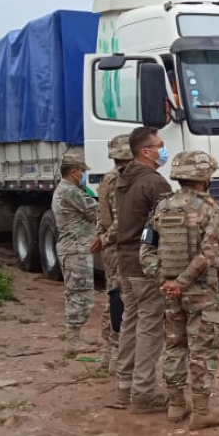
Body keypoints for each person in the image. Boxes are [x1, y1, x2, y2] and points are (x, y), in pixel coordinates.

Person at [140, 151, 219, 429]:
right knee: (203, 348)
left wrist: (165, 282)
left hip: (170, 293)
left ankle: (176, 405)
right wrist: (181, 283)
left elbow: (145, 250)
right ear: (204, 177)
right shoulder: (210, 209)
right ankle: (201, 411)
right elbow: (208, 255)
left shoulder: (162, 207)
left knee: (175, 344)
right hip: (201, 293)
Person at [114, 127, 173, 414]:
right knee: (150, 328)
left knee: (130, 323)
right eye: (160, 145)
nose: (164, 149)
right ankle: (144, 395)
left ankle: (125, 387)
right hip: (146, 265)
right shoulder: (154, 183)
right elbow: (168, 228)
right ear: (146, 151)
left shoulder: (123, 179)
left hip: (125, 262)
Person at [89, 134, 132, 373]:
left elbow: (101, 215)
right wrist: (105, 238)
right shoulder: (121, 181)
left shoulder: (106, 179)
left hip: (111, 246)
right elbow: (122, 218)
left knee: (113, 297)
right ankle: (116, 356)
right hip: (121, 247)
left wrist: (100, 237)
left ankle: (109, 354)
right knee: (121, 300)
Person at [51, 148, 98, 354]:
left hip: (73, 248)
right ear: (74, 172)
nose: (84, 174)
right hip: (75, 249)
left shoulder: (65, 189)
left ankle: (75, 338)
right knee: (81, 295)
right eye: (82, 171)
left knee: (75, 293)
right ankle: (74, 341)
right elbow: (95, 211)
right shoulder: (70, 191)